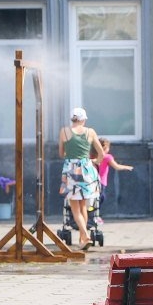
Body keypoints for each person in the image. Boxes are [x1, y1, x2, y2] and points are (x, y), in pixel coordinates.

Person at [58, 107, 105, 250]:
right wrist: (95, 162)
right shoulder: (90, 132)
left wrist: (71, 154)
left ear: (72, 119)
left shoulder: (64, 131)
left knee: (75, 208)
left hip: (71, 170)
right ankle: (82, 239)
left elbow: (61, 153)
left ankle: (85, 235)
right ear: (83, 119)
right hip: (86, 169)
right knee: (83, 205)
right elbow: (101, 154)